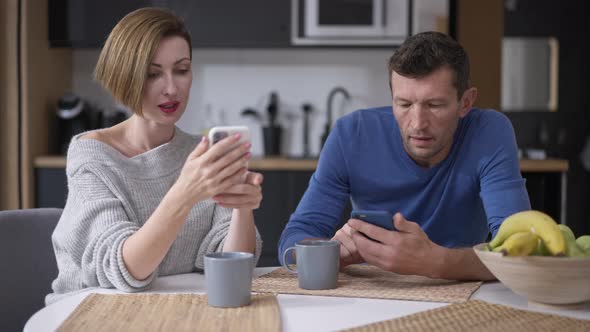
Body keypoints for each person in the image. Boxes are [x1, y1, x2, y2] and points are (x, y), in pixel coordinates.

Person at [47, 7, 263, 304]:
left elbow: (233, 264)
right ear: (124, 76)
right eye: (153, 74)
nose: (172, 88)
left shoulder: (200, 154)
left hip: (177, 309)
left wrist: (243, 208)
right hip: (92, 310)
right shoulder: (93, 156)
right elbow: (123, 269)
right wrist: (184, 193)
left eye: (182, 70)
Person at [278, 32, 530, 281]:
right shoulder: (351, 134)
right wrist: (328, 253)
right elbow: (294, 240)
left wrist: (435, 261)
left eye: (434, 105)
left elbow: (521, 250)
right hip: (370, 293)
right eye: (404, 104)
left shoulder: (489, 132)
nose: (418, 123)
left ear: (465, 102)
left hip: (461, 292)